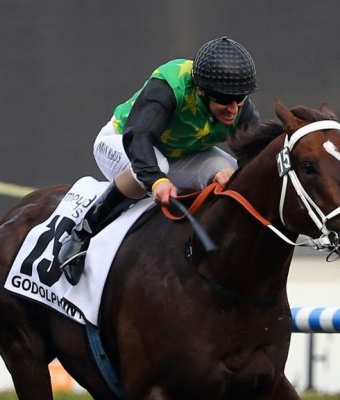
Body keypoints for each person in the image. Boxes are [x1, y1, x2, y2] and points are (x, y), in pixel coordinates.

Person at [56, 36, 260, 283]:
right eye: (225, 101)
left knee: (230, 170)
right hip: (123, 141)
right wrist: (156, 180)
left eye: (240, 99)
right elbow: (138, 136)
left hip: (180, 155)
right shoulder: (170, 84)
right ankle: (82, 233)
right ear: (202, 90)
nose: (233, 109)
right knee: (156, 168)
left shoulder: (237, 103)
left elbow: (255, 157)